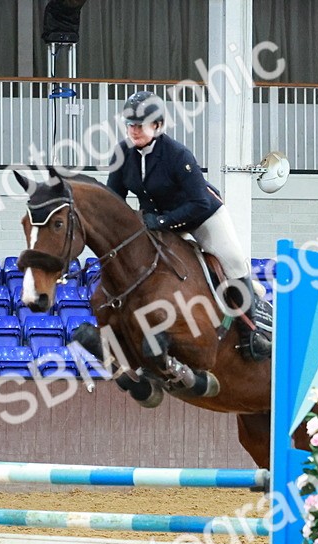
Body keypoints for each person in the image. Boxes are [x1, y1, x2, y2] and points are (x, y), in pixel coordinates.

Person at [106, 90, 271, 361]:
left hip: (201, 216)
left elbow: (199, 203)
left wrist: (160, 221)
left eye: (140, 125)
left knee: (233, 262)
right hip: (157, 222)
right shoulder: (122, 155)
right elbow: (114, 201)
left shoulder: (177, 154)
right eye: (130, 125)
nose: (133, 130)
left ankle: (250, 333)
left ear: (157, 126)